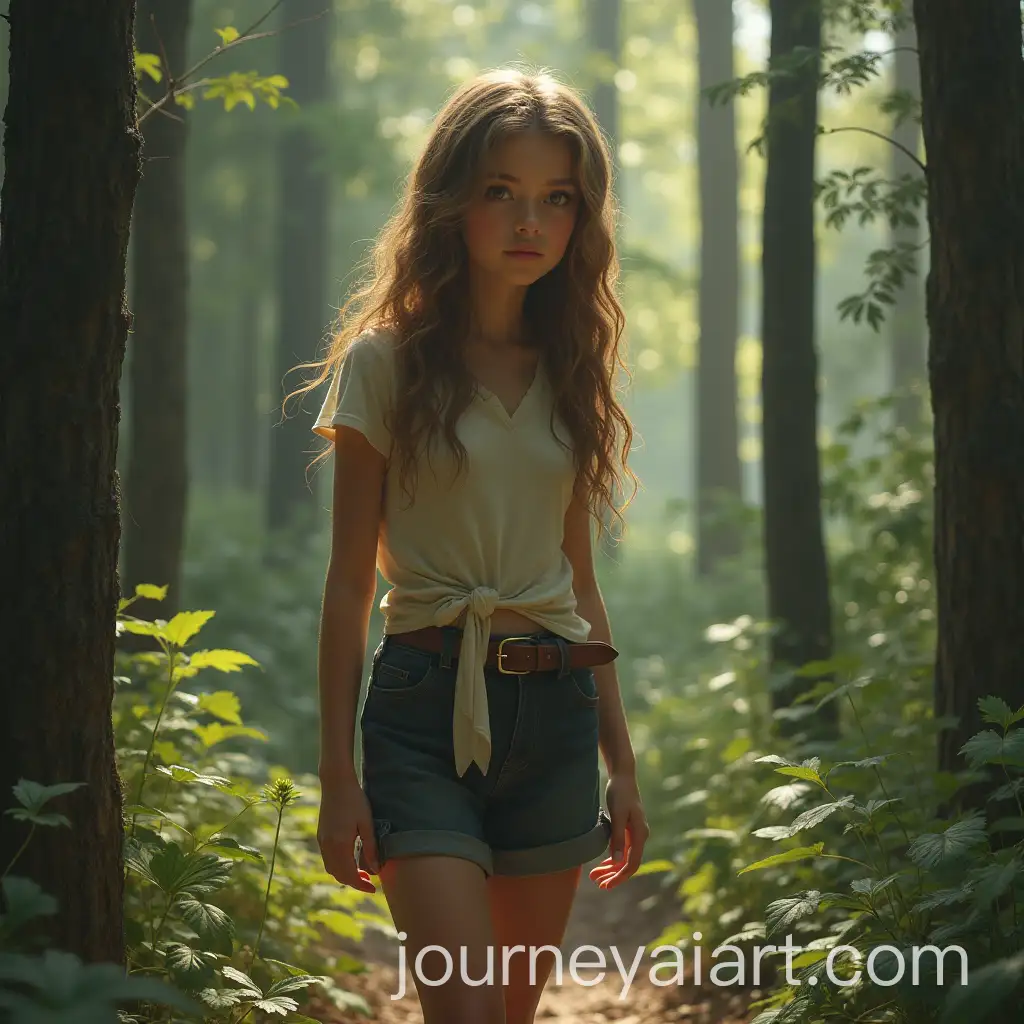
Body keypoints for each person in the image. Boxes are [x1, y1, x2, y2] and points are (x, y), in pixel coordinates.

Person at [294, 67, 649, 1024]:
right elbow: (345, 588)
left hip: (556, 713)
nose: (529, 220)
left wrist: (623, 764)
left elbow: (580, 580)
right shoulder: (386, 365)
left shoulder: (574, 369)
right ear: (453, 199)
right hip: (421, 713)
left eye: (556, 198)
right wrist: (337, 780)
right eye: (502, 191)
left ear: (582, 215)